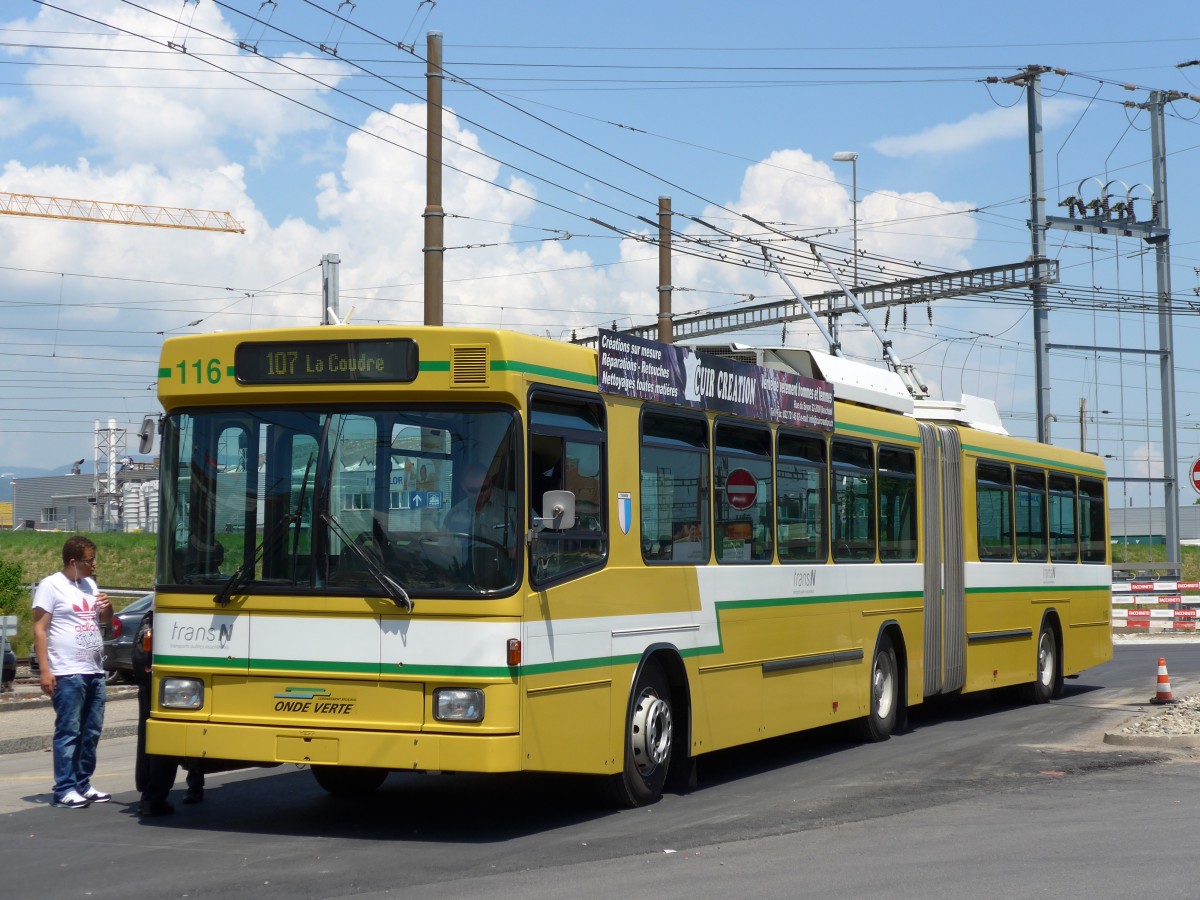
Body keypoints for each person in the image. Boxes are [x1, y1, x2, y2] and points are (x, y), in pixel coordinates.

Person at [32, 535, 113, 809]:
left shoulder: (90, 584)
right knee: (69, 731)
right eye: (90, 560)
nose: (94, 564)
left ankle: (83, 783)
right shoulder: (51, 585)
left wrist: (108, 606)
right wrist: (45, 670)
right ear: (73, 561)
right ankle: (64, 788)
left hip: (94, 670)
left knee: (91, 731)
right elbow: (40, 629)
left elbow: (104, 619)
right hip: (67, 671)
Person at [133, 609, 204, 817]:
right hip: (175, 681)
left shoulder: (161, 615)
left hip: (166, 682)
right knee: (171, 735)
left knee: (158, 736)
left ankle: (153, 795)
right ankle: (165, 793)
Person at [442, 462, 518, 586]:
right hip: (467, 578)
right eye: (473, 490)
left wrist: (516, 551)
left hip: (510, 580)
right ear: (463, 487)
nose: (479, 494)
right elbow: (444, 551)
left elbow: (538, 540)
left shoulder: (513, 503)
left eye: (484, 488)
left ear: (490, 482)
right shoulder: (454, 515)